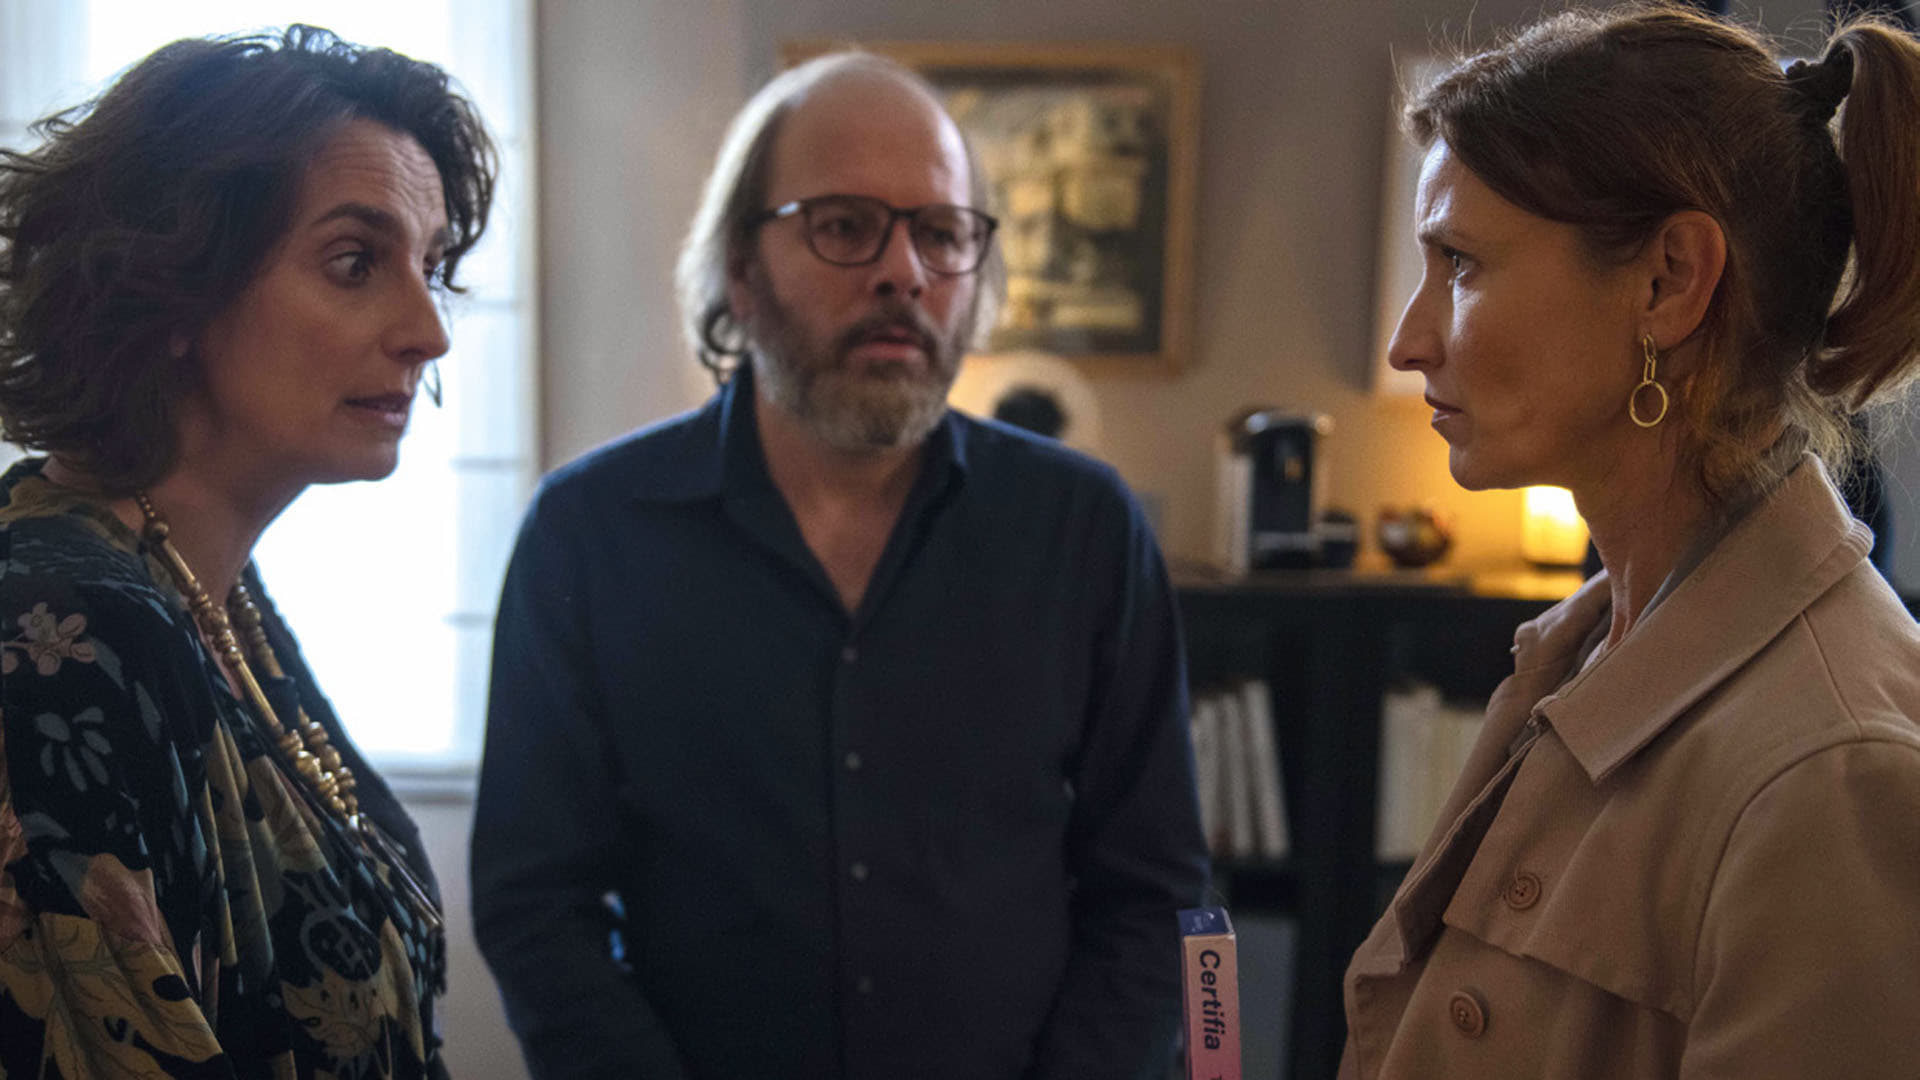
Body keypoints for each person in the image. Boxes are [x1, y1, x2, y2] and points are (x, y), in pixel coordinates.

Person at [471, 51, 1207, 1080]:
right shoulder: (591, 533)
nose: (904, 272)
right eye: (846, 225)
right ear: (741, 267)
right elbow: (534, 900)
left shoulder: (1085, 533)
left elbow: (1159, 896)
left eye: (941, 233)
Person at [1344, 5, 1920, 1078]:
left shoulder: (1835, 772)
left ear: (1669, 282)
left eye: (1460, 263)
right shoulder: (1586, 648)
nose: (1408, 342)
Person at [0, 26, 494, 1079]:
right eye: (355, 263)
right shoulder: (68, 632)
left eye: (430, 265)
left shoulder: (210, 583)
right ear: (174, 283)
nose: (429, 330)